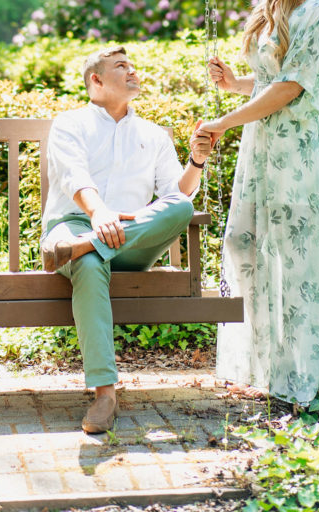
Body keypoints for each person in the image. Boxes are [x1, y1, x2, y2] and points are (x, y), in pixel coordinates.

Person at [197, 0, 319, 406]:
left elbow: (289, 89)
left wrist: (224, 121)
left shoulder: (318, 15)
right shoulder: (272, 10)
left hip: (296, 156)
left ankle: (297, 376)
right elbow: (266, 83)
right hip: (260, 153)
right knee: (245, 244)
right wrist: (233, 84)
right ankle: (262, 363)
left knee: (294, 260)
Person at [40, 45, 211, 434]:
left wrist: (196, 162)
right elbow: (74, 178)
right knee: (86, 262)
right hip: (74, 225)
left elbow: (175, 194)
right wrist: (99, 215)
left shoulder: (153, 134)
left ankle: (86, 247)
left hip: (131, 240)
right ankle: (105, 394)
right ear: (95, 81)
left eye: (133, 67)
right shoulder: (70, 124)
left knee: (181, 208)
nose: (133, 73)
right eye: (121, 67)